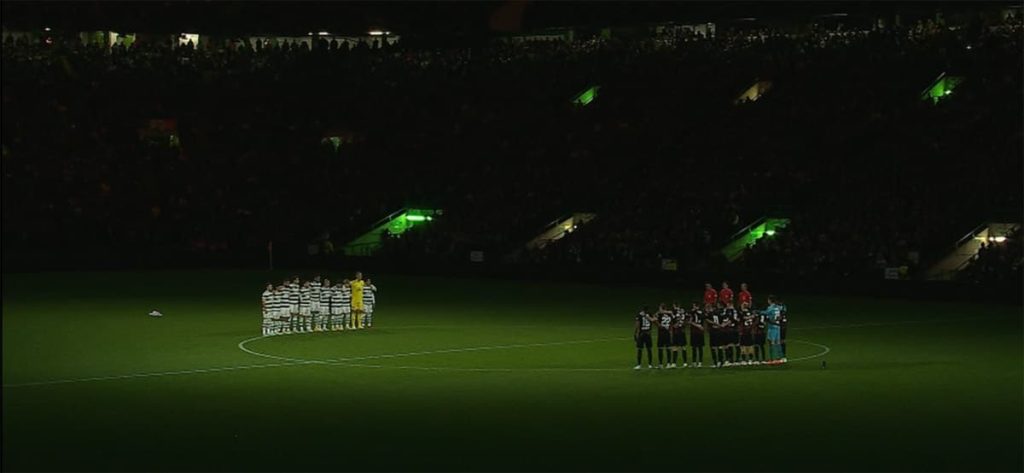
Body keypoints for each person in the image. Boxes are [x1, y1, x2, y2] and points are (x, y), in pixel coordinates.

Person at [762, 295, 784, 363]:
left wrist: (757, 311)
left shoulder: (770, 308)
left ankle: (772, 359)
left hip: (772, 327)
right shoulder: (778, 307)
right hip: (778, 327)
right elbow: (783, 309)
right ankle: (780, 358)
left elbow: (766, 313)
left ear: (770, 300)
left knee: (771, 343)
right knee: (778, 342)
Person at [688, 302, 705, 367]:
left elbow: (690, 321)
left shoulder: (694, 313)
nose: (693, 307)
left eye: (694, 306)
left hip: (695, 332)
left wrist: (696, 325)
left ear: (697, 306)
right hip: (697, 331)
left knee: (697, 347)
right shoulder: (701, 312)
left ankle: (698, 362)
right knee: (695, 347)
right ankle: (696, 362)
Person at [656, 304, 673, 368]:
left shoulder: (659, 314)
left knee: (660, 348)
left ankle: (660, 364)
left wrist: (658, 325)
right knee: (668, 348)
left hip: (661, 333)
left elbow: (655, 319)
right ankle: (668, 363)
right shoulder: (669, 314)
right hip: (668, 332)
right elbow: (671, 323)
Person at [670, 303, 688, 368]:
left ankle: (674, 363)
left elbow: (673, 320)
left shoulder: (674, 312)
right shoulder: (683, 311)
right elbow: (687, 319)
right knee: (683, 347)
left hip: (676, 331)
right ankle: (685, 363)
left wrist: (675, 324)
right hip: (682, 331)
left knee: (675, 347)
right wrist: (684, 325)